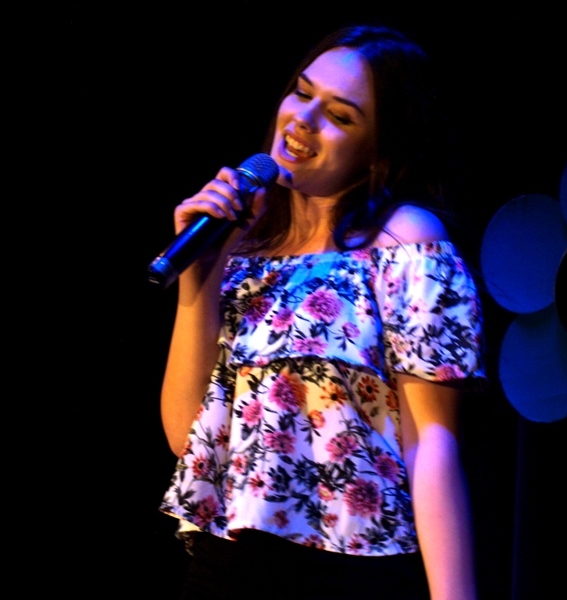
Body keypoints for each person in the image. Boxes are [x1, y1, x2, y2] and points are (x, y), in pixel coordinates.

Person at [158, 23, 486, 600]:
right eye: (302, 92)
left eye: (340, 115)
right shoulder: (243, 249)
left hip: (351, 570)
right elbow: (189, 438)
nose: (303, 120)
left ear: (379, 148)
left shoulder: (404, 241)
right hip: (226, 564)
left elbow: (432, 442)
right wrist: (198, 278)